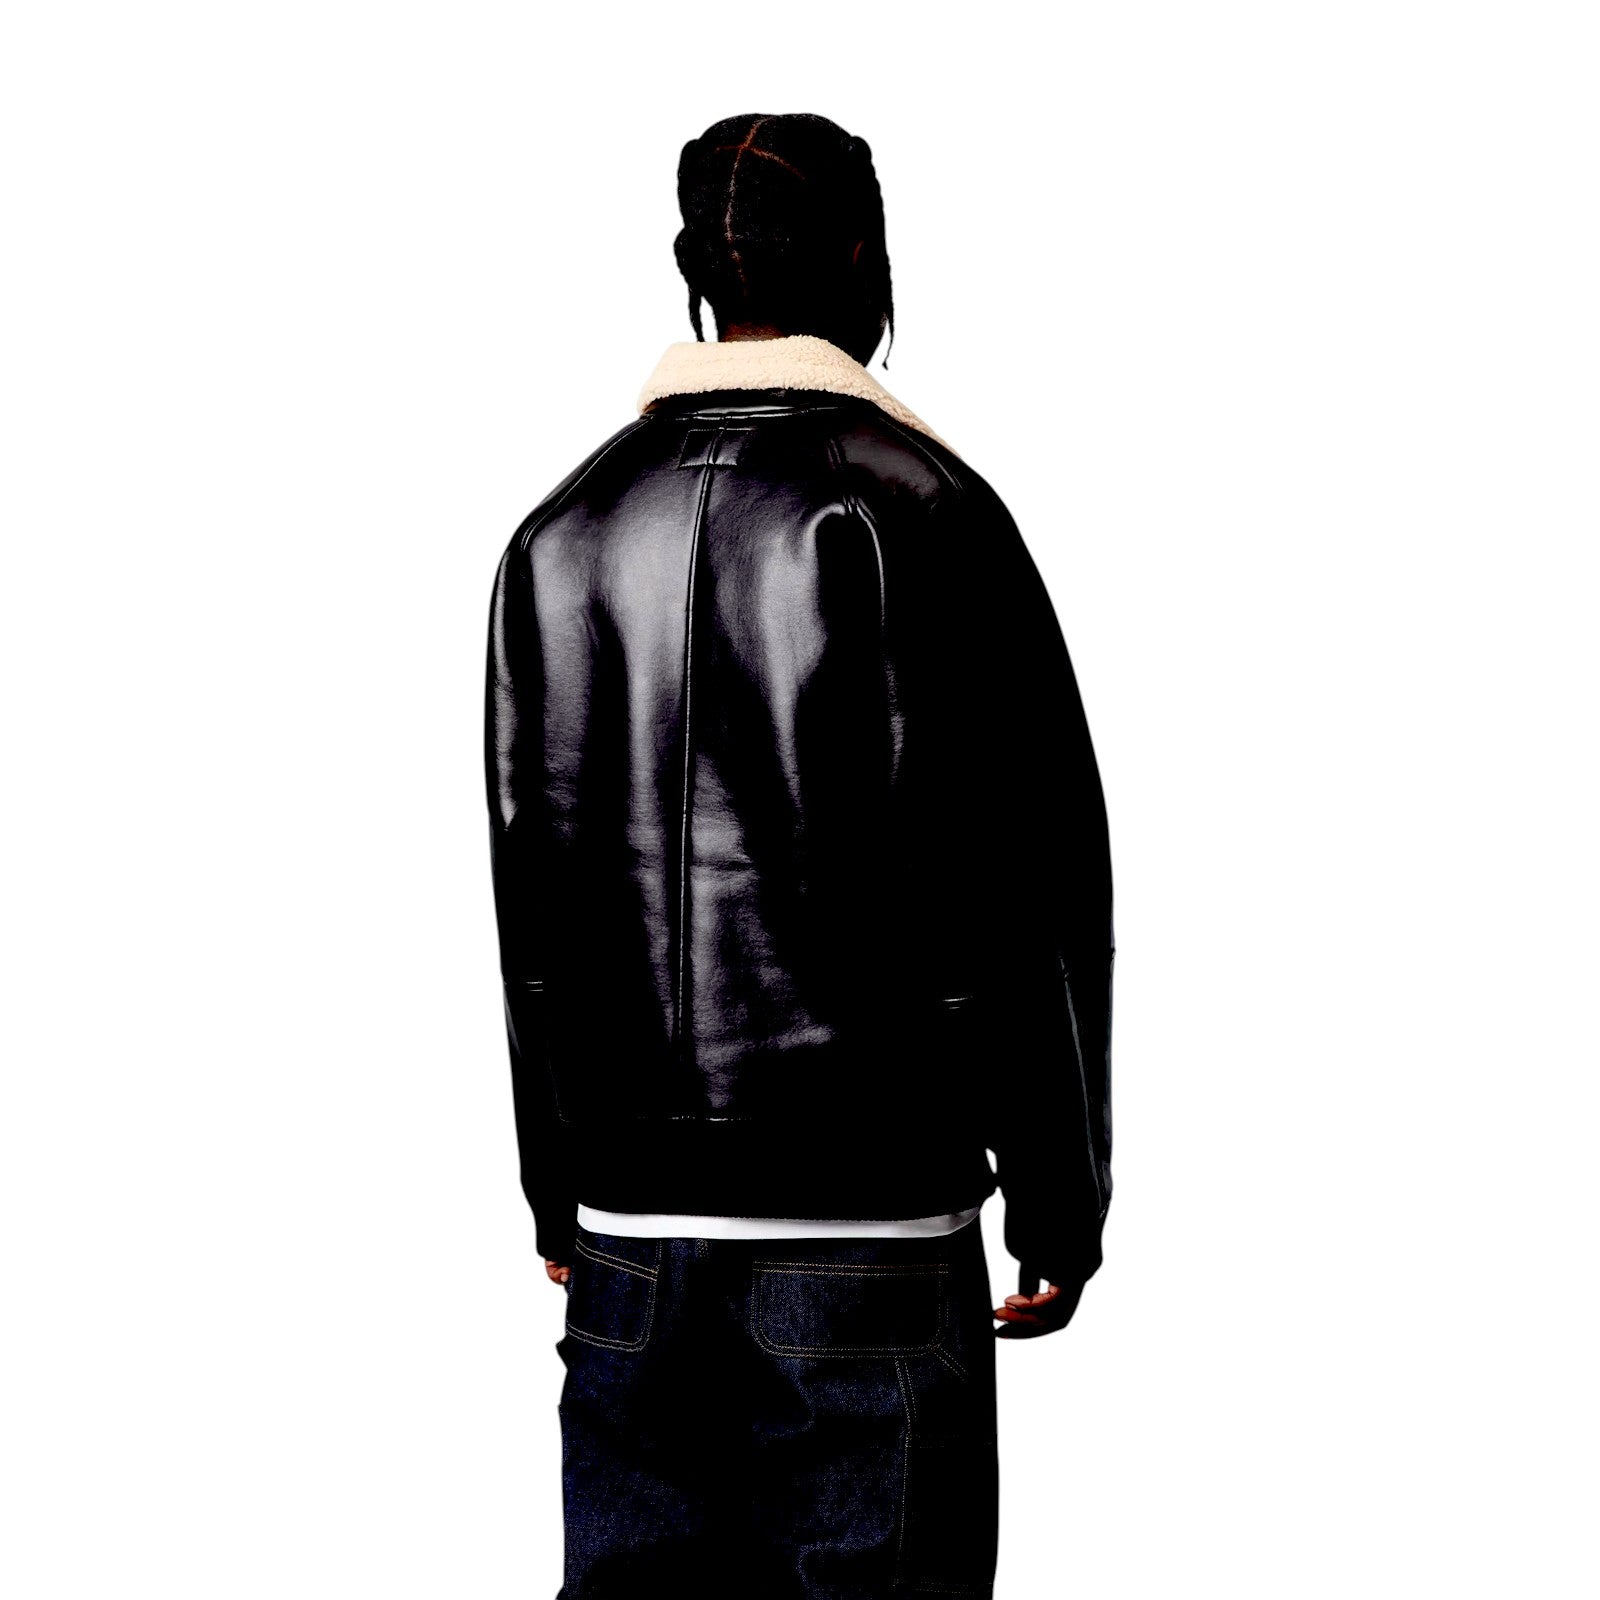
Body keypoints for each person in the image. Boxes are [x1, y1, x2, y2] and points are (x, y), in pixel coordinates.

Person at [484, 111, 1114, 1600]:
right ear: (862, 256)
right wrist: (1061, 1194)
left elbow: (535, 899)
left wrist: (559, 1185)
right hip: (867, 1233)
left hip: (631, 1238)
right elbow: (1030, 887)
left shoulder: (560, 531)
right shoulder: (924, 509)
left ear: (695, 267)